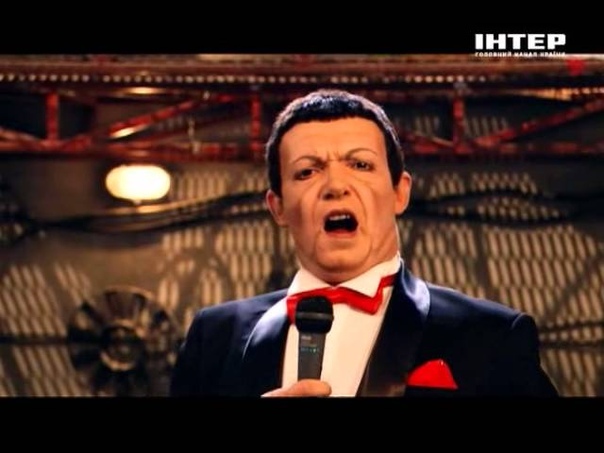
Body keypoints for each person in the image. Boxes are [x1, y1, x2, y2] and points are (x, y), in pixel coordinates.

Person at [169, 88, 559, 397]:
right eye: (307, 171)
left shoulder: (491, 335)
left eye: (360, 164)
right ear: (278, 207)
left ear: (400, 193)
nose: (336, 185)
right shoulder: (213, 337)